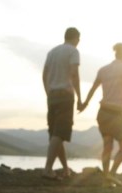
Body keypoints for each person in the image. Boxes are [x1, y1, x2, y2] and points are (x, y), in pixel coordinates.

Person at [80, 42, 122, 186]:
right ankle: (112, 174)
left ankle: (106, 178)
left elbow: (93, 88)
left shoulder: (103, 70)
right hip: (118, 114)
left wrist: (85, 104)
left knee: (108, 146)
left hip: (103, 113)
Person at [42, 27, 83, 180]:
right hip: (66, 95)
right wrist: (79, 98)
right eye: (79, 39)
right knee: (59, 133)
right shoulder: (73, 51)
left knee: (55, 134)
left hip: (52, 95)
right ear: (76, 38)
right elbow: (74, 74)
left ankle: (66, 169)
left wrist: (48, 93)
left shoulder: (52, 52)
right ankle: (47, 169)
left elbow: (44, 75)